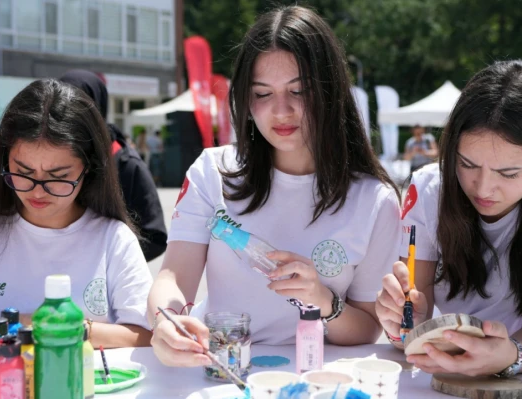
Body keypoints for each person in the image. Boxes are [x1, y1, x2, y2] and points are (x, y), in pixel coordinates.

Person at [148, 5, 402, 368]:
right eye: (262, 94)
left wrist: (322, 299)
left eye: (298, 91)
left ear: (331, 93)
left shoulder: (374, 200)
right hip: (221, 369)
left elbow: (367, 328)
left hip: (315, 377)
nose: (281, 112)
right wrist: (165, 322)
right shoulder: (213, 172)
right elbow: (173, 277)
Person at [376, 60, 522, 377]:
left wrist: (511, 355)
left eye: (507, 173)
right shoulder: (428, 188)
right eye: (466, 164)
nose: (482, 189)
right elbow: (414, 312)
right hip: (444, 369)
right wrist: (402, 322)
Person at [0, 79, 154, 351]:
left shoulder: (113, 239)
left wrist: (67, 330)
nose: (38, 190)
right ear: (4, 159)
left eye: (59, 177)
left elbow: (147, 336)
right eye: (23, 172)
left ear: (88, 168)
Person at [59, 70, 168, 261]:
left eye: (78, 107)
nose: (67, 117)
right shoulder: (49, 161)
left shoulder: (127, 166)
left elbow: (155, 236)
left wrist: (105, 262)